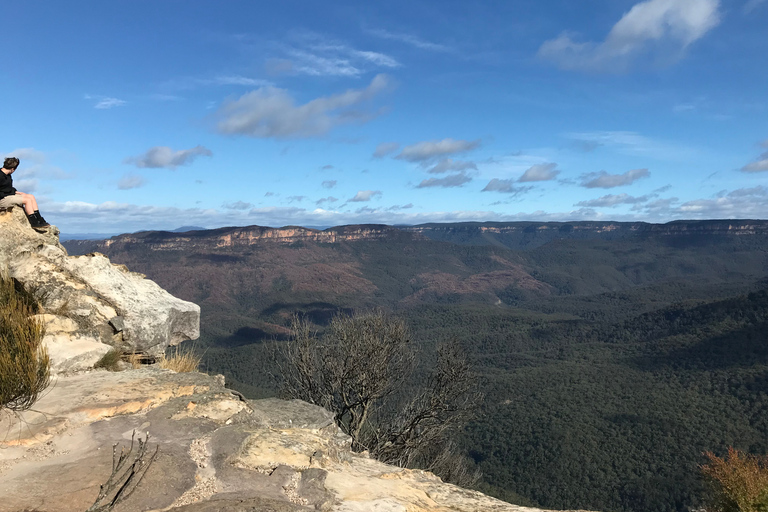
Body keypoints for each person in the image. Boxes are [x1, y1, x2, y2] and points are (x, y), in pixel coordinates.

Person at [0, 157, 50, 230]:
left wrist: (17, 192)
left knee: (30, 196)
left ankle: (39, 218)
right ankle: (34, 222)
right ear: (13, 169)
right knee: (27, 200)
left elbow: (7, 187)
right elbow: (4, 191)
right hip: (2, 199)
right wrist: (11, 193)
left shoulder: (7, 175)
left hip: (7, 195)